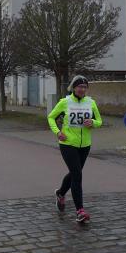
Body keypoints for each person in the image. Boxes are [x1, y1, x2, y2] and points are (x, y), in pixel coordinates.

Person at [47, 75, 103, 222]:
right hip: (68, 143)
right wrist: (57, 132)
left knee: (74, 173)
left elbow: (99, 121)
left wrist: (93, 122)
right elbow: (51, 117)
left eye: (85, 87)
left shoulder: (91, 102)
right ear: (73, 87)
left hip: (85, 145)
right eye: (79, 87)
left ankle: (60, 193)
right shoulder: (65, 102)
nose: (82, 89)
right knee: (77, 174)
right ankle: (80, 211)